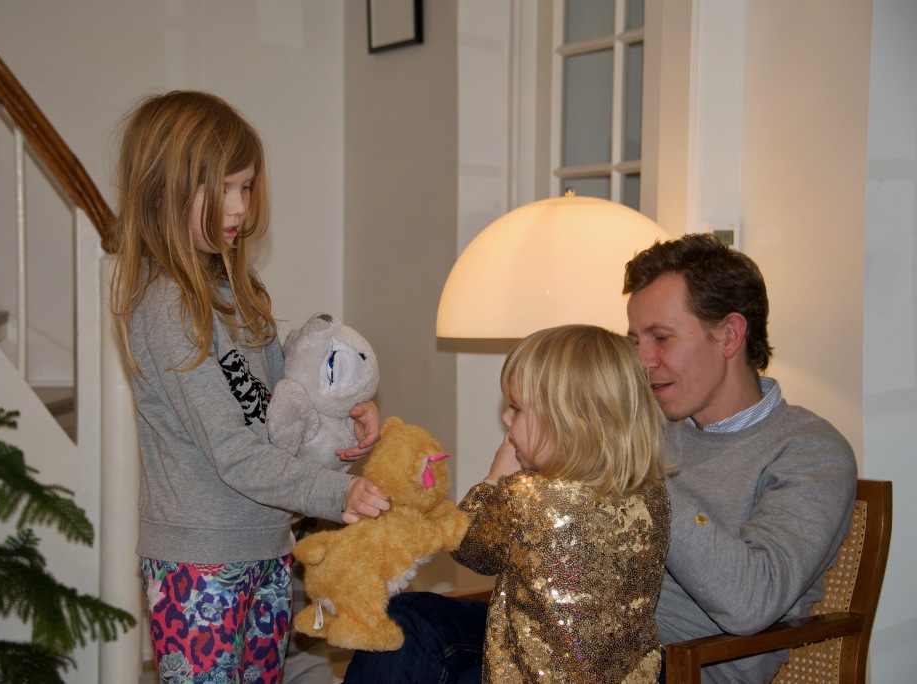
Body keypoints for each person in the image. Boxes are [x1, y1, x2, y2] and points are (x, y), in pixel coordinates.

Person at [110, 90, 389, 684]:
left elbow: (278, 400)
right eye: (225, 189)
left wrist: (338, 411)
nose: (239, 208)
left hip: (266, 542)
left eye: (247, 187)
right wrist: (334, 493)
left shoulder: (238, 284)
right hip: (200, 559)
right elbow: (233, 451)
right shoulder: (166, 308)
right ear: (166, 189)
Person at [345, 324, 671, 683]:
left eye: (516, 409)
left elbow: (468, 546)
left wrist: (495, 478)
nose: (505, 418)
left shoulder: (527, 495)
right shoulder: (652, 495)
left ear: (570, 423)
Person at [623, 233, 858, 683]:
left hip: (680, 668)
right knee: (466, 625)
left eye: (661, 338)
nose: (643, 361)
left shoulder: (810, 451)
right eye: (635, 341)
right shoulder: (647, 427)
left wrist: (638, 476)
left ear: (729, 335)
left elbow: (750, 603)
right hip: (586, 643)